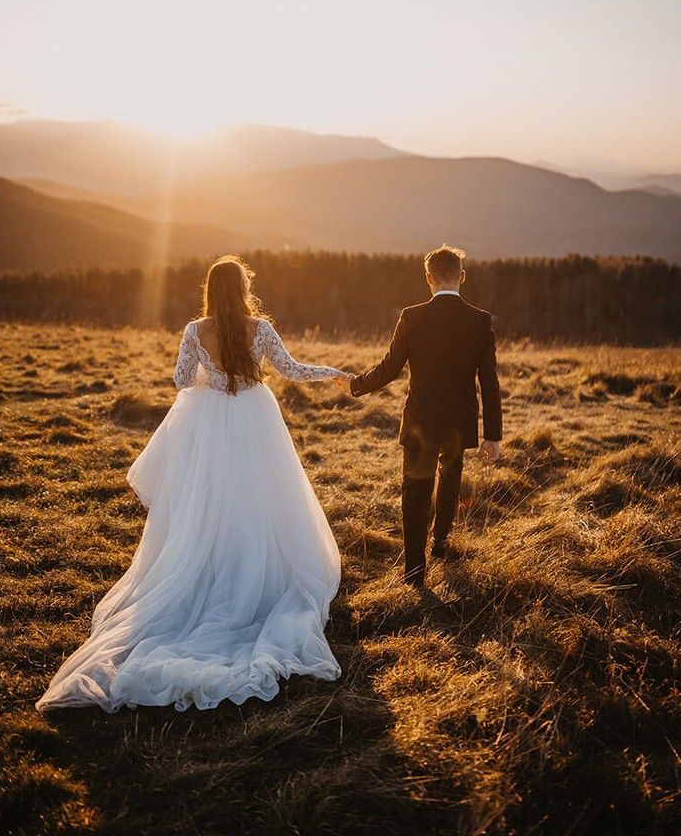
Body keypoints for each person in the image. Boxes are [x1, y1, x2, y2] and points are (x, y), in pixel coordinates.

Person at [36, 255, 349, 713]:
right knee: (260, 498)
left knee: (208, 502)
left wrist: (207, 371)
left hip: (210, 424)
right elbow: (292, 369)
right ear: (243, 287)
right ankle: (254, 564)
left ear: (209, 289)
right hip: (254, 416)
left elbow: (181, 380)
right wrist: (334, 374)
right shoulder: (258, 327)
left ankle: (213, 562)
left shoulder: (194, 330)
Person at [336, 244, 502, 587]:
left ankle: (414, 570)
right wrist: (493, 436)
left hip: (420, 421)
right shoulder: (480, 320)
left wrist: (354, 385)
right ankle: (440, 543)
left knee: (415, 493)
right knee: (451, 478)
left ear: (428, 278)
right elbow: (490, 383)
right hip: (460, 422)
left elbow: (389, 368)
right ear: (463, 277)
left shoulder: (412, 316)